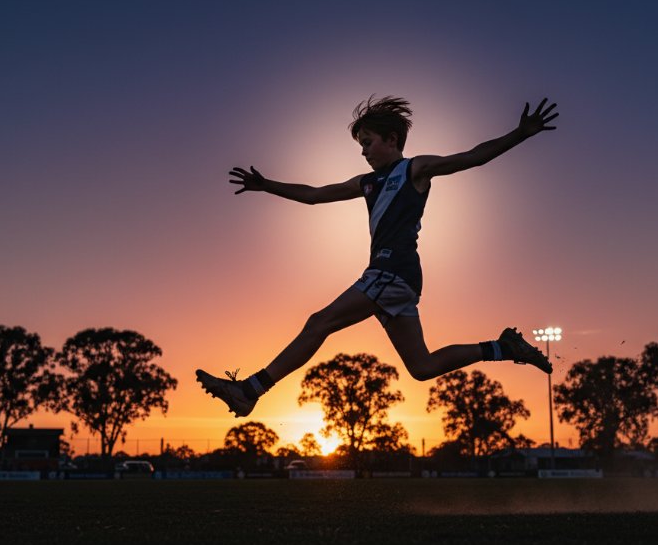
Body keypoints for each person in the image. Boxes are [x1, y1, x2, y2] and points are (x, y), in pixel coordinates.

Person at [197, 95, 559, 417]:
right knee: (422, 366)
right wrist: (267, 185)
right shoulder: (365, 183)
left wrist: (520, 133)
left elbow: (472, 157)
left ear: (392, 140)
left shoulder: (415, 169)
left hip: (393, 271)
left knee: (318, 322)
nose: (364, 151)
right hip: (396, 278)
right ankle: (502, 347)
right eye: (360, 145)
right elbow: (314, 194)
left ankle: (250, 391)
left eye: (367, 143)